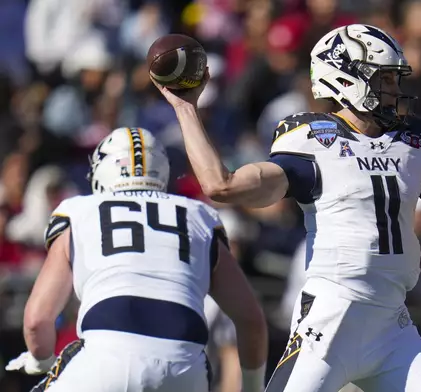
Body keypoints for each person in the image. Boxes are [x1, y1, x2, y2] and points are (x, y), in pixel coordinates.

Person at [154, 24, 421, 392]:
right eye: (385, 79)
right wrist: (186, 109)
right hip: (330, 324)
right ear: (346, 80)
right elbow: (220, 186)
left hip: (392, 327)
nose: (397, 90)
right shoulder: (314, 140)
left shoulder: (414, 141)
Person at [4, 127, 268, 392]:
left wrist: (40, 360)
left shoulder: (78, 211)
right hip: (185, 368)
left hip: (105, 360)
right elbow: (251, 321)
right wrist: (254, 388)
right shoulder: (199, 215)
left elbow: (37, 321)